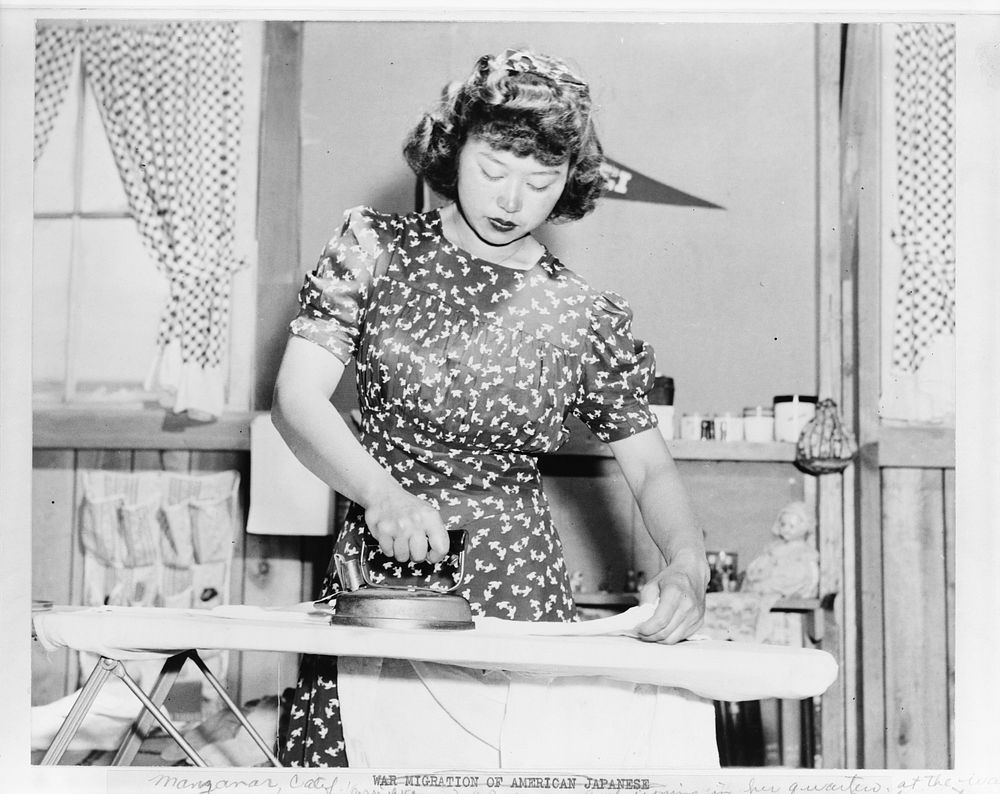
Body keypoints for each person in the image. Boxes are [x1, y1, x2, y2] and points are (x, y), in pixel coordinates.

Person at [272, 47, 710, 768]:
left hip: (519, 593)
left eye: (541, 182)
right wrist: (381, 494)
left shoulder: (580, 312)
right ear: (451, 152)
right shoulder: (375, 249)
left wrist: (686, 563)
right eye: (493, 171)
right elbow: (297, 396)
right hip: (386, 579)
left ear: (570, 183)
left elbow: (651, 468)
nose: (511, 201)